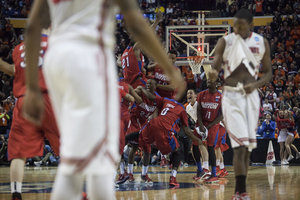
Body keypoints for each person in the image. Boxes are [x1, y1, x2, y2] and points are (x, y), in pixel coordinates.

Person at [23, 0, 184, 200]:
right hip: (88, 58)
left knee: (74, 149)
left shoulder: (124, 55)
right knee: (103, 156)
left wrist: (31, 88)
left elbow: (32, 29)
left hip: (55, 59)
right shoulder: (131, 51)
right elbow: (136, 23)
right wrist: (169, 69)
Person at [209, 9, 272, 199]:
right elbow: (215, 65)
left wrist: (255, 85)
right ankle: (241, 192)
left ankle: (240, 190)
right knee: (238, 145)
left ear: (251, 26)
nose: (236, 30)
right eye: (234, 26)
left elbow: (268, 73)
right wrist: (213, 72)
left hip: (251, 97)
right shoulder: (225, 41)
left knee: (246, 147)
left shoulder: (261, 42)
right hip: (231, 96)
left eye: (241, 27)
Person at [0, 31, 60, 200]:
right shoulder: (56, 43)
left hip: (24, 101)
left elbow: (13, 70)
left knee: (18, 154)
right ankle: (76, 191)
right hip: (48, 97)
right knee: (68, 148)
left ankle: (16, 194)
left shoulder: (19, 49)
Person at [125, 87, 202, 186]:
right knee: (176, 152)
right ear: (184, 100)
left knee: (139, 135)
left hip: (154, 122)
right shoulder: (182, 110)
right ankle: (173, 178)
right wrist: (196, 139)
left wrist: (142, 89)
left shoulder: (167, 100)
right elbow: (187, 130)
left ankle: (122, 140)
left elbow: (150, 96)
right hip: (164, 129)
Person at [122, 79, 158, 184]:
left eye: (151, 83)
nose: (148, 85)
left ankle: (144, 174)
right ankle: (129, 173)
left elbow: (155, 114)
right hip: (134, 119)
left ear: (155, 86)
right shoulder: (140, 91)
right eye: (147, 83)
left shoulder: (156, 98)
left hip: (144, 122)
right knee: (134, 146)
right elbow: (131, 90)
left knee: (147, 149)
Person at [122, 11, 163, 89]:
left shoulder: (127, 51)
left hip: (134, 84)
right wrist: (157, 21)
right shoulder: (132, 49)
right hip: (135, 84)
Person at [193, 79, 223, 183]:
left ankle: (214, 174)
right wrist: (201, 124)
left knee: (211, 148)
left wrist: (209, 126)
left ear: (217, 83)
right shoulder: (201, 94)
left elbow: (222, 115)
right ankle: (200, 170)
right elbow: (198, 111)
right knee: (195, 146)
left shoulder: (221, 97)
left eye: (211, 80)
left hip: (213, 124)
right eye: (208, 80)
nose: (208, 81)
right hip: (201, 123)